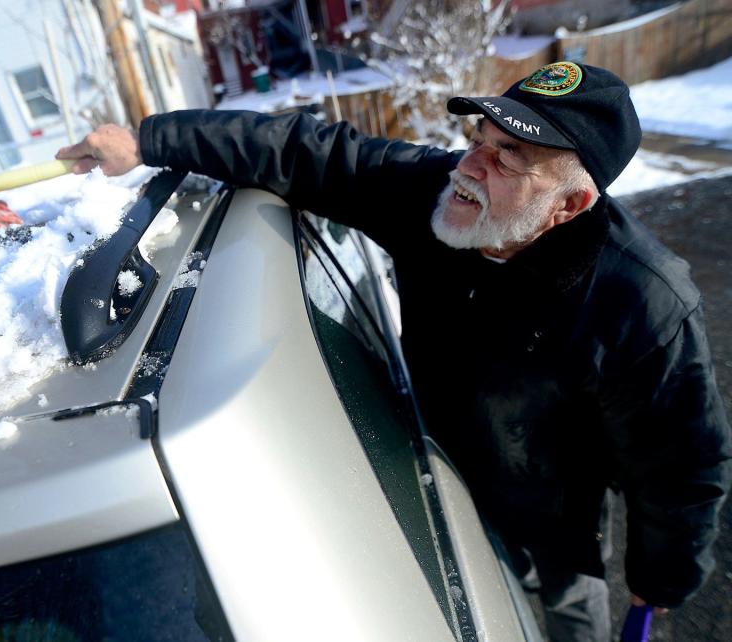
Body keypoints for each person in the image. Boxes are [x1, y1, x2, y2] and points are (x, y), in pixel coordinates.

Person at [57, 62, 731, 641]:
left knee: (568, 604)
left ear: (569, 203)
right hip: (439, 469)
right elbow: (309, 151)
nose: (470, 166)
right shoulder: (436, 193)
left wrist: (662, 574)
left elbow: (681, 464)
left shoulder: (642, 301)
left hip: (555, 508)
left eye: (506, 161)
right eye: (479, 139)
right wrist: (148, 140)